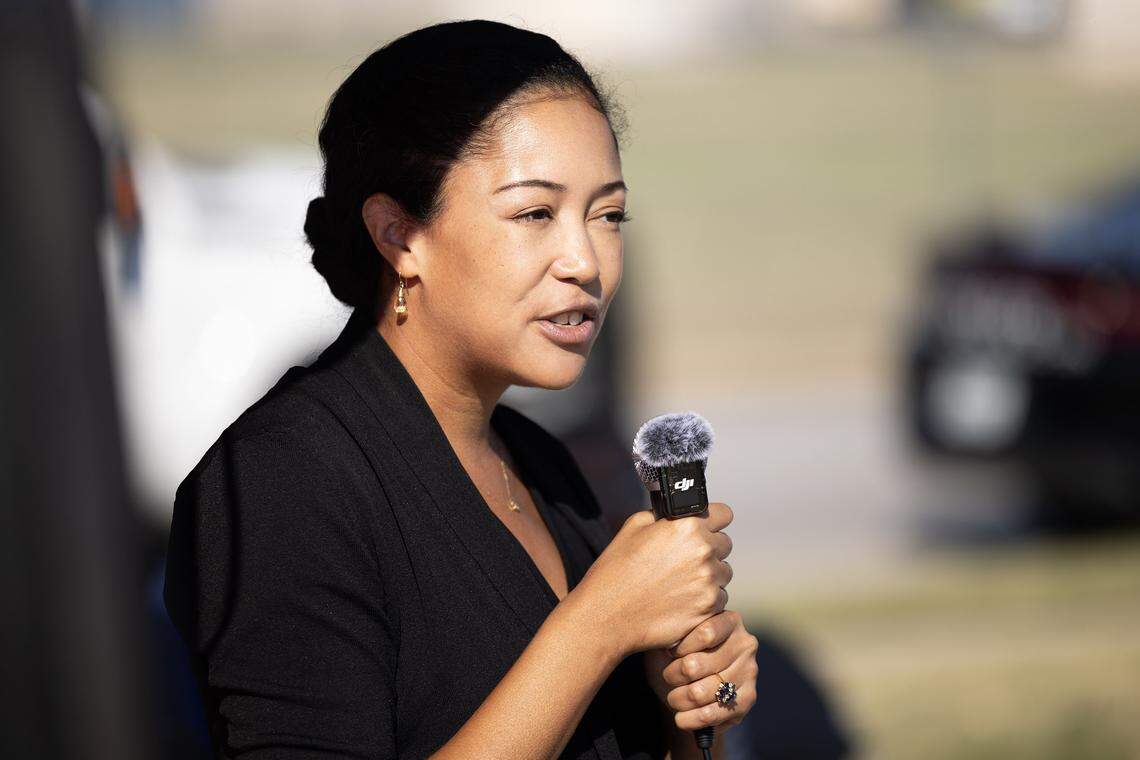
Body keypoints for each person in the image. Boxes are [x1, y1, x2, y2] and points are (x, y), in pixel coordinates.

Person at [163, 19, 757, 760]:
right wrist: (600, 625)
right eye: (535, 213)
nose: (585, 260)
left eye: (607, 215)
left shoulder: (545, 468)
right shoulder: (286, 479)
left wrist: (694, 708)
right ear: (399, 236)